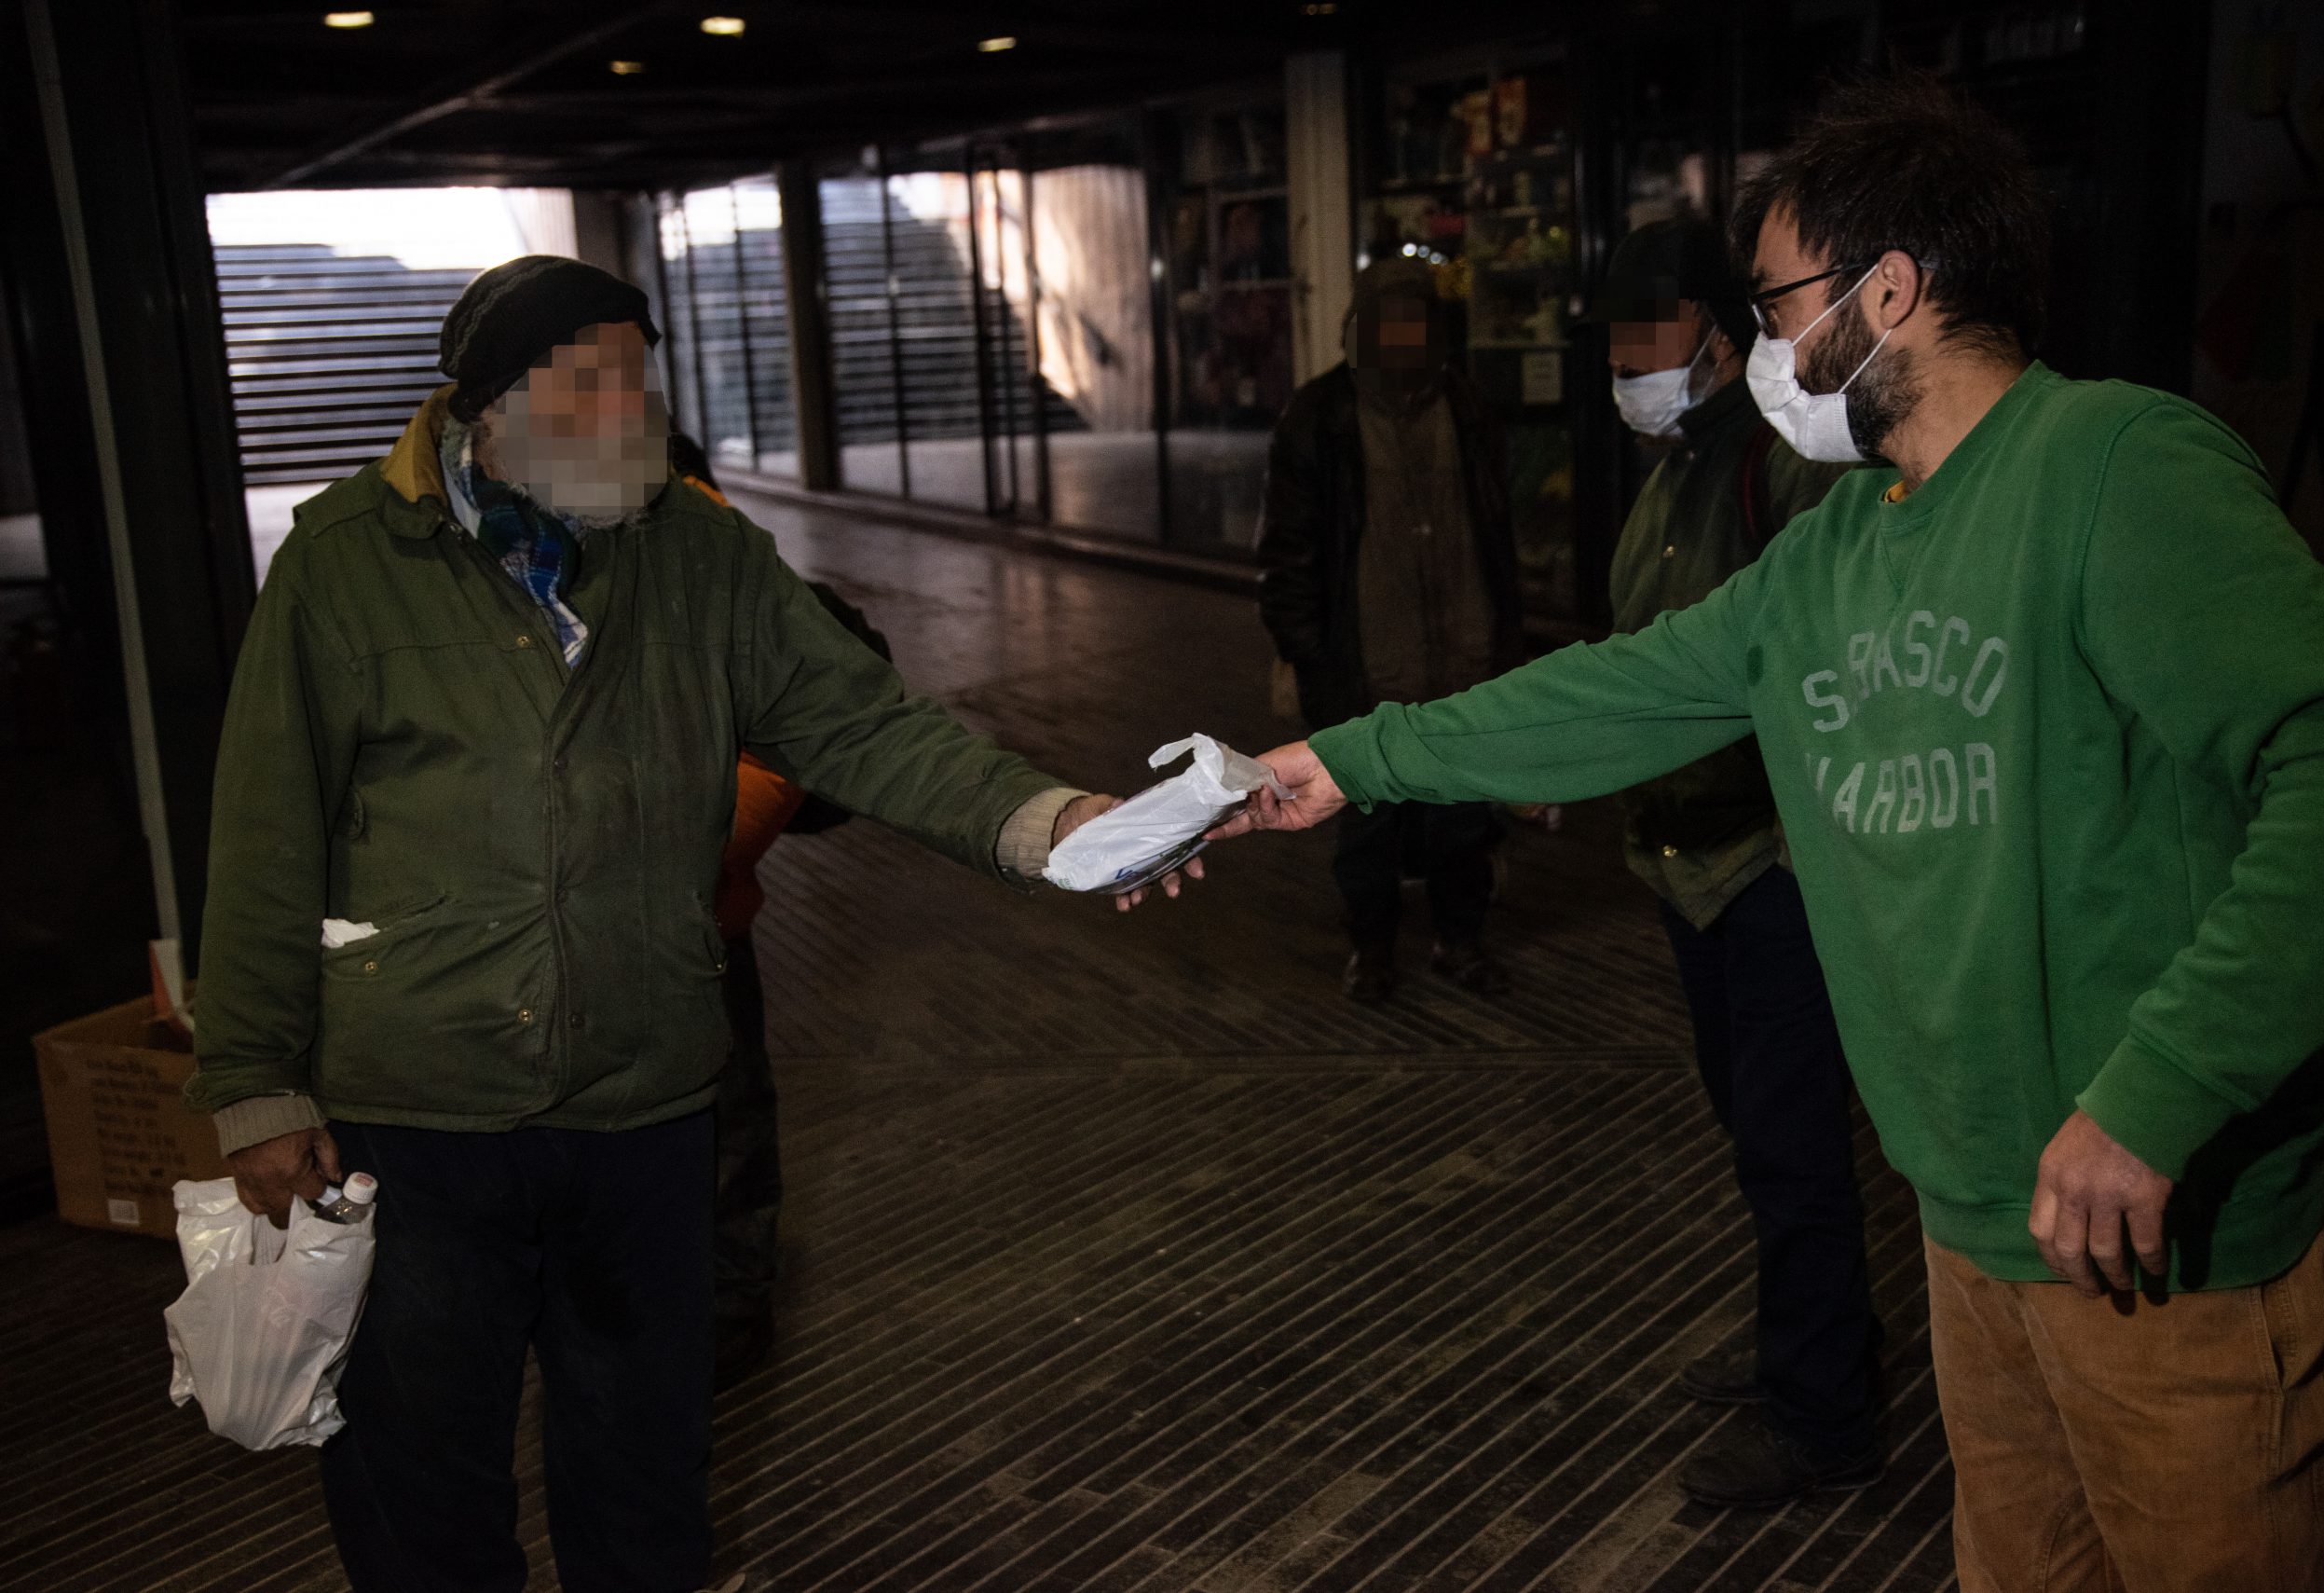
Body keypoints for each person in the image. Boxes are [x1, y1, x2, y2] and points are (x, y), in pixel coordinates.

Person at [1219, 73, 2324, 1586]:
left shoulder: (2115, 468)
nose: (1763, 350)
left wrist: (2160, 1090)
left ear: (1888, 291)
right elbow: (1622, 689)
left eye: (1774, 307)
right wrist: (1344, 759)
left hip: (2173, 1254)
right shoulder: (1835, 551)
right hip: (1976, 1232)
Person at [190, 255, 1195, 1593]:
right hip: (418, 1115)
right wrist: (256, 1088)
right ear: (494, 404)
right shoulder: (344, 566)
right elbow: (264, 828)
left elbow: (862, 725)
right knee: (421, 1483)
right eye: (594, 384)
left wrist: (1047, 824)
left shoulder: (698, 552)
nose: (635, 414)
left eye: (640, 382)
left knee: (645, 1473)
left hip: (644, 1097)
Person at [1594, 214, 1878, 1506]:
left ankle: (1823, 1413)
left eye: (1654, 336)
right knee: (1754, 1132)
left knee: (1793, 1144)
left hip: (1773, 872)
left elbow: (1805, 674)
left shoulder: (1788, 468)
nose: (1630, 362)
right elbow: (1642, 656)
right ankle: (1798, 1352)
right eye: (1616, 339)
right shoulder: (1670, 465)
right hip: (1688, 872)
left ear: (1720, 336)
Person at [670, 437, 894, 1390]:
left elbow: (834, 702)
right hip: (662, 921)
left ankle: (725, 1312)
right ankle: (716, 1309)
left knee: (723, 1126)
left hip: (696, 924)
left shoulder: (709, 565)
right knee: (716, 1129)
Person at [1256, 256, 1525, 1005]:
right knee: (1365, 825)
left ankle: (1459, 938)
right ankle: (1371, 947)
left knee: (1463, 819)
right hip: (1366, 670)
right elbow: (1286, 558)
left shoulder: (1466, 407)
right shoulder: (1320, 418)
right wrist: (1313, 662)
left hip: (1464, 667)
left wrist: (1507, 643)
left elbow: (1497, 535)